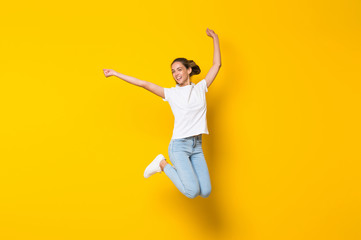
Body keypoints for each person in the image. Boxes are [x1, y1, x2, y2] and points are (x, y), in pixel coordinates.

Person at [103, 28, 221, 198]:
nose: (176, 74)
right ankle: (162, 163)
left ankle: (163, 164)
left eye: (179, 69)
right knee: (192, 191)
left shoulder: (201, 88)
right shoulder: (171, 93)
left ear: (188, 70)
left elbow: (216, 65)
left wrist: (215, 38)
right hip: (179, 146)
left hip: (197, 146)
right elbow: (144, 83)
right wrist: (115, 73)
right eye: (173, 71)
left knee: (206, 191)